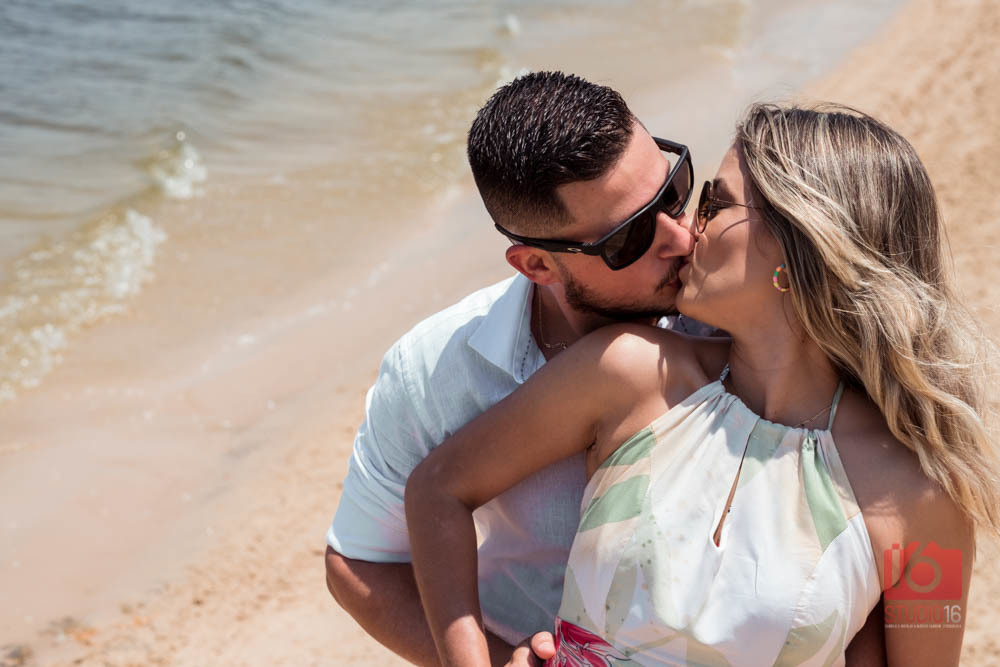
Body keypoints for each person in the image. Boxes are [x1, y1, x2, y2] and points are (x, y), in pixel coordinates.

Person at [405, 103, 1000, 666]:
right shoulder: (625, 373)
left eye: (715, 202)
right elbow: (437, 488)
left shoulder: (923, 498)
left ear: (799, 246)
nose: (688, 227)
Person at [324, 71, 702, 665]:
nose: (681, 238)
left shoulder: (738, 313)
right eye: (630, 238)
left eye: (675, 190)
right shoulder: (435, 369)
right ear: (536, 265)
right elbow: (362, 561)